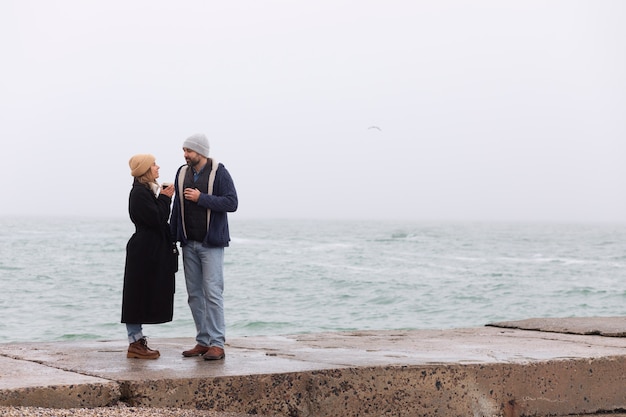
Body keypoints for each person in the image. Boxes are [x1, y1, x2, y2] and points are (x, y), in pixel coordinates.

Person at [170, 133, 238, 360]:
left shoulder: (220, 172)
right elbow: (176, 209)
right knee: (194, 295)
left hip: (211, 245)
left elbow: (232, 202)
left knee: (213, 293)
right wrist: (173, 237)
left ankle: (217, 343)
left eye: (188, 150)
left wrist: (202, 198)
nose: (185, 154)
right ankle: (203, 340)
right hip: (188, 244)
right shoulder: (181, 173)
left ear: (200, 152)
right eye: (184, 150)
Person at [121, 154, 177, 359]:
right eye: (153, 164)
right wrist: (165, 198)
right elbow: (157, 219)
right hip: (143, 251)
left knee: (141, 294)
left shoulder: (144, 191)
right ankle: (134, 342)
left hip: (148, 250)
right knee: (136, 296)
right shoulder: (138, 194)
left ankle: (137, 340)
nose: (157, 167)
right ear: (145, 169)